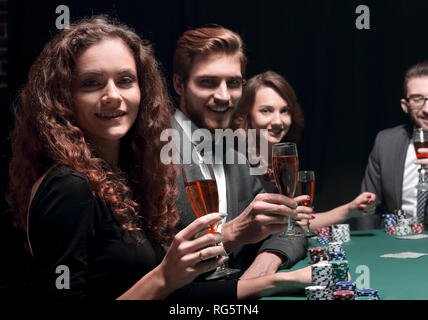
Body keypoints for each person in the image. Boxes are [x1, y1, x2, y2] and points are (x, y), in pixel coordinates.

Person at [6, 15, 314, 300]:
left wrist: (276, 280)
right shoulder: (68, 186)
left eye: (125, 80)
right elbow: (164, 282)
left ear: (143, 88)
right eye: (92, 83)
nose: (113, 95)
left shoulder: (129, 172)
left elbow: (166, 289)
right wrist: (166, 276)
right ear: (63, 95)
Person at [171, 26, 313, 280]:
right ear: (180, 84)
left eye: (234, 83)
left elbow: (289, 227)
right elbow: (144, 263)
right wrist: (233, 232)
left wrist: (265, 264)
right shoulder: (151, 148)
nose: (224, 96)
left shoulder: (232, 150)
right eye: (208, 82)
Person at [232, 70, 376, 233]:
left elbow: (297, 225)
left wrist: (350, 209)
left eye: (284, 111)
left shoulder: (284, 160)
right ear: (247, 114)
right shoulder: (236, 162)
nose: (278, 121)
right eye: (266, 110)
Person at [361, 61, 428, 229]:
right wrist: (369, 248)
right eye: (418, 99)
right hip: (396, 242)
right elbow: (368, 208)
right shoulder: (386, 142)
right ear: (405, 106)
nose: (427, 108)